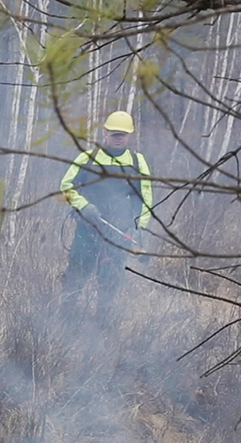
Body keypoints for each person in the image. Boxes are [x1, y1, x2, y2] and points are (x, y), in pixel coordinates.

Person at [59, 110, 153, 318]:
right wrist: (84, 207)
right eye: (114, 133)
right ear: (105, 133)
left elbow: (144, 197)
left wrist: (140, 227)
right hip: (87, 230)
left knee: (110, 282)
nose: (118, 138)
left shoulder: (137, 163)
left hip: (119, 235)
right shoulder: (87, 158)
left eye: (123, 134)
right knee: (76, 276)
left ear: (129, 135)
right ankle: (64, 322)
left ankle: (102, 326)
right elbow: (66, 186)